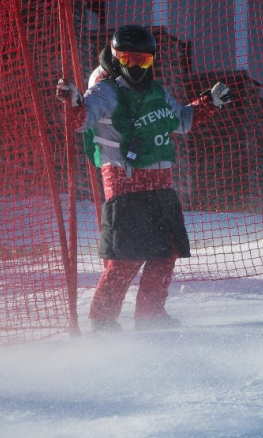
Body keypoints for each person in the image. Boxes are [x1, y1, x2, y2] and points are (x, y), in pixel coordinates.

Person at [56, 24, 231, 332]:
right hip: (126, 185)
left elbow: (181, 122)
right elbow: (83, 120)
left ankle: (151, 315)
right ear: (114, 57)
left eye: (143, 61)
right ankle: (103, 319)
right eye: (128, 59)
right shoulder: (106, 91)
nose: (135, 67)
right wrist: (73, 104)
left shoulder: (157, 91)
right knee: (126, 257)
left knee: (167, 252)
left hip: (162, 185)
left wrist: (208, 103)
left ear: (152, 59)